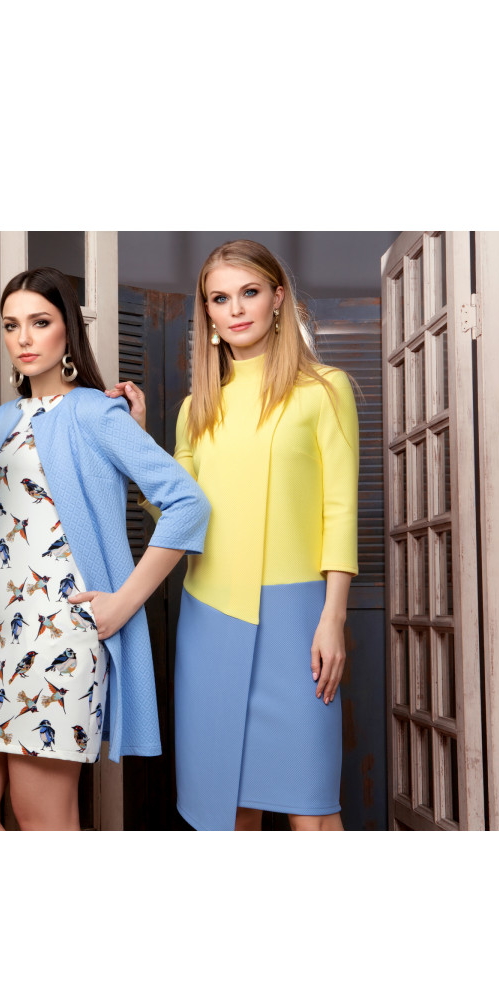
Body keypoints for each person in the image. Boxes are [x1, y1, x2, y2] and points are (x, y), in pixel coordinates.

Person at [0, 267, 210, 831]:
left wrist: (122, 604)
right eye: (11, 325)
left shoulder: (94, 411)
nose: (23, 338)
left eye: (40, 322)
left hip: (62, 639)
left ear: (68, 331)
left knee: (43, 820)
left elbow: (189, 504)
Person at [108, 240, 359, 831]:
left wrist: (332, 617)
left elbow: (340, 508)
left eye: (249, 292)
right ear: (208, 313)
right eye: (220, 299)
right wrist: (138, 444)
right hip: (210, 619)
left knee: (313, 811)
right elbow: (176, 510)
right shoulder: (197, 408)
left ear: (278, 297)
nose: (236, 309)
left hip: (297, 621)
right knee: (227, 813)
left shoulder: (325, 389)